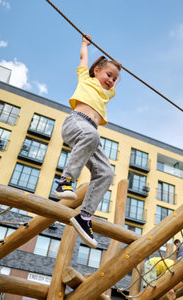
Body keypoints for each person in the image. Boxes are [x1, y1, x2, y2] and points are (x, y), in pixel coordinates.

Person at [54, 34, 121, 248]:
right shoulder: (86, 79)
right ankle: (65, 181)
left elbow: (113, 76)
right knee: (92, 135)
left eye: (114, 79)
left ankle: (84, 217)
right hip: (75, 123)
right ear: (96, 71)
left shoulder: (108, 94)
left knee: (106, 173)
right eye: (108, 75)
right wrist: (84, 44)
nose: (111, 80)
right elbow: (83, 59)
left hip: (90, 133)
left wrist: (117, 67)